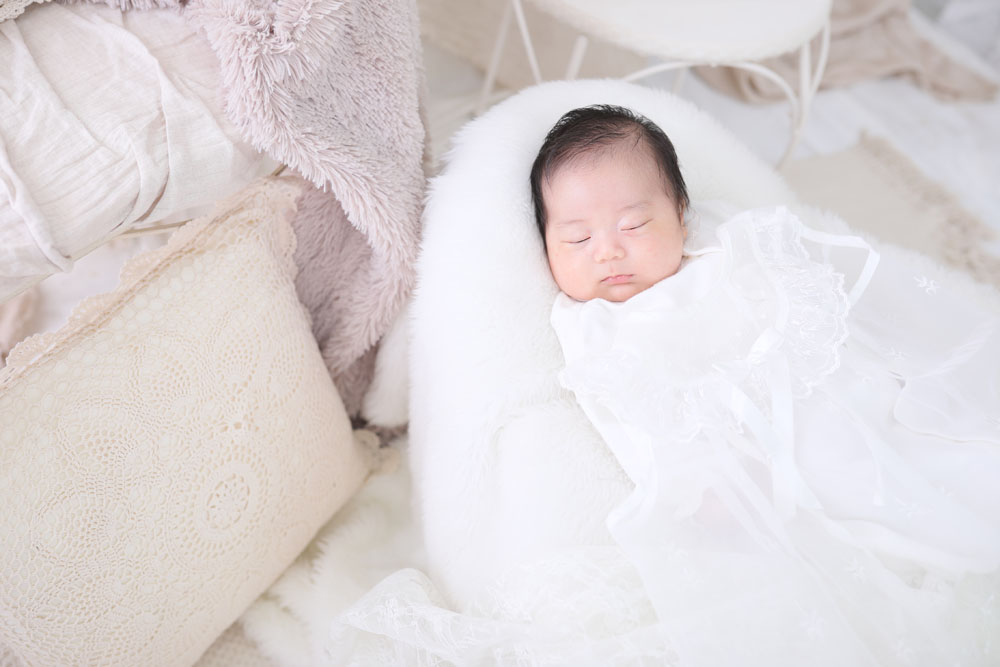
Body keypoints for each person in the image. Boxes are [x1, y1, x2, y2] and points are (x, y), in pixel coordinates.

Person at [534, 104, 1000, 665]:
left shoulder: (723, 246)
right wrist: (702, 481)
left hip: (830, 395)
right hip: (757, 459)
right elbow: (637, 418)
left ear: (681, 214)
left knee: (928, 452)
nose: (607, 250)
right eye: (577, 239)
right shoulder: (595, 327)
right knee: (843, 509)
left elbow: (821, 286)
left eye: (633, 225)